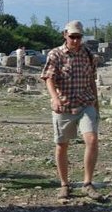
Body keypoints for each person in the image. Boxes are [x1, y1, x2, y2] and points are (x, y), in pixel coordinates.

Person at [41, 20, 102, 202]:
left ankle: (87, 183)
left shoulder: (88, 54)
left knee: (92, 139)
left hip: (85, 103)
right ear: (65, 35)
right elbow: (48, 78)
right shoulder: (56, 54)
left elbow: (91, 78)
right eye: (72, 37)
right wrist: (55, 98)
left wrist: (96, 102)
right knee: (62, 145)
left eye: (79, 37)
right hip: (65, 105)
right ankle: (64, 184)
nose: (75, 40)